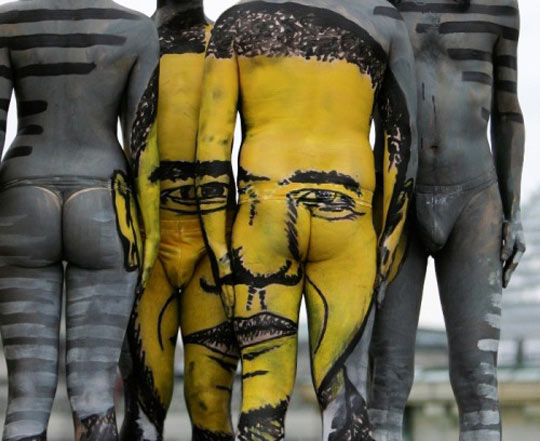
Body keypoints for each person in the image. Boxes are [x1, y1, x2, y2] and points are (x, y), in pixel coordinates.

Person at [196, 0, 417, 439]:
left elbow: (213, 143)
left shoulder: (238, 21)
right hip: (348, 213)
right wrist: (391, 234)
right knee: (346, 397)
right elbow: (401, 139)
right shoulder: (383, 20)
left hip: (264, 210)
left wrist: (219, 247)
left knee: (261, 397)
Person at [0, 0, 160, 439]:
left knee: (27, 392)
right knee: (94, 388)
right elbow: (144, 143)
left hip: (23, 194)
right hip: (105, 197)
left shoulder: (8, 22)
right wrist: (150, 231)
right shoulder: (136, 29)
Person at [369, 1, 526, 440]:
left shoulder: (498, 8)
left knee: (479, 380)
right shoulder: (382, 7)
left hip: (475, 198)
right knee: (387, 376)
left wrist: (513, 211)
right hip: (396, 198)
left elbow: (508, 109)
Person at [119, 1, 239, 440]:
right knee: (145, 400)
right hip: (146, 232)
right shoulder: (133, 39)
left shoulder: (224, 42)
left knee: (210, 400)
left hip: (214, 235)